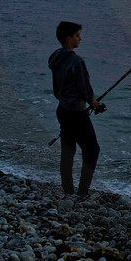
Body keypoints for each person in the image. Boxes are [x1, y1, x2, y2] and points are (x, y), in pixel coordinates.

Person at [49, 21, 103, 200]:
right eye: (77, 35)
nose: (80, 38)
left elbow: (56, 89)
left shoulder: (55, 57)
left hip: (62, 109)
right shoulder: (76, 61)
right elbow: (85, 89)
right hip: (76, 113)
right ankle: (82, 191)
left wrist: (68, 99)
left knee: (68, 149)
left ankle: (67, 189)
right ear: (68, 38)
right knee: (92, 149)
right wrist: (93, 102)